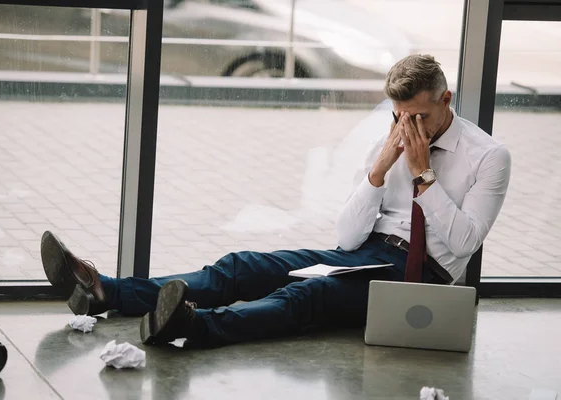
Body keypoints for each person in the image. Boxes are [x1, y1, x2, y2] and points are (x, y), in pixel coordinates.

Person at [40, 54, 511, 348]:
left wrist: (424, 174)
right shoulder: (388, 141)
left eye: (421, 117)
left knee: (310, 293)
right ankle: (107, 291)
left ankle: (194, 327)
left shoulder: (489, 156)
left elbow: (465, 243)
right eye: (400, 116)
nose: (409, 129)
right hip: (362, 256)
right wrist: (378, 171)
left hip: (418, 276)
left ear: (447, 99)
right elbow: (346, 237)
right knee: (242, 266)